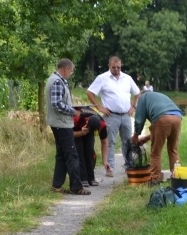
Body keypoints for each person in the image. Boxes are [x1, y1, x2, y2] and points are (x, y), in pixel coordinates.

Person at [86, 56, 141, 177]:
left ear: (121, 66)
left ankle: (129, 165)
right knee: (110, 142)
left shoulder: (127, 78)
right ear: (109, 66)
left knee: (127, 141)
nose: (116, 69)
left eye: (119, 67)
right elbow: (90, 92)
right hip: (111, 115)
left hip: (126, 115)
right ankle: (109, 167)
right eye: (114, 67)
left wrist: (134, 106)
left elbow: (137, 93)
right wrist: (98, 107)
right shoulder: (102, 78)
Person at [45, 58, 89, 195]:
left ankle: (57, 185)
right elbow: (56, 104)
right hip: (62, 124)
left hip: (57, 123)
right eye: (71, 70)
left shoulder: (52, 79)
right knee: (71, 154)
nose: (71, 73)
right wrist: (73, 111)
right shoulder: (57, 81)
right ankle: (76, 186)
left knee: (62, 155)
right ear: (66, 69)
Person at [131, 91, 182, 185]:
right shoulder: (158, 96)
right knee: (173, 150)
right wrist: (146, 138)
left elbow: (139, 120)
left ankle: (155, 179)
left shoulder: (142, 98)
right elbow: (160, 131)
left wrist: (135, 136)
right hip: (177, 117)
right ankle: (177, 177)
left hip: (162, 117)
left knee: (155, 152)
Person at [73, 109, 109, 187]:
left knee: (90, 152)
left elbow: (104, 142)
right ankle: (83, 178)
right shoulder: (77, 118)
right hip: (77, 129)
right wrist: (81, 132)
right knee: (79, 152)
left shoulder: (102, 124)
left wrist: (105, 161)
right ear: (87, 122)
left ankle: (91, 178)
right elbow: (70, 134)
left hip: (88, 129)